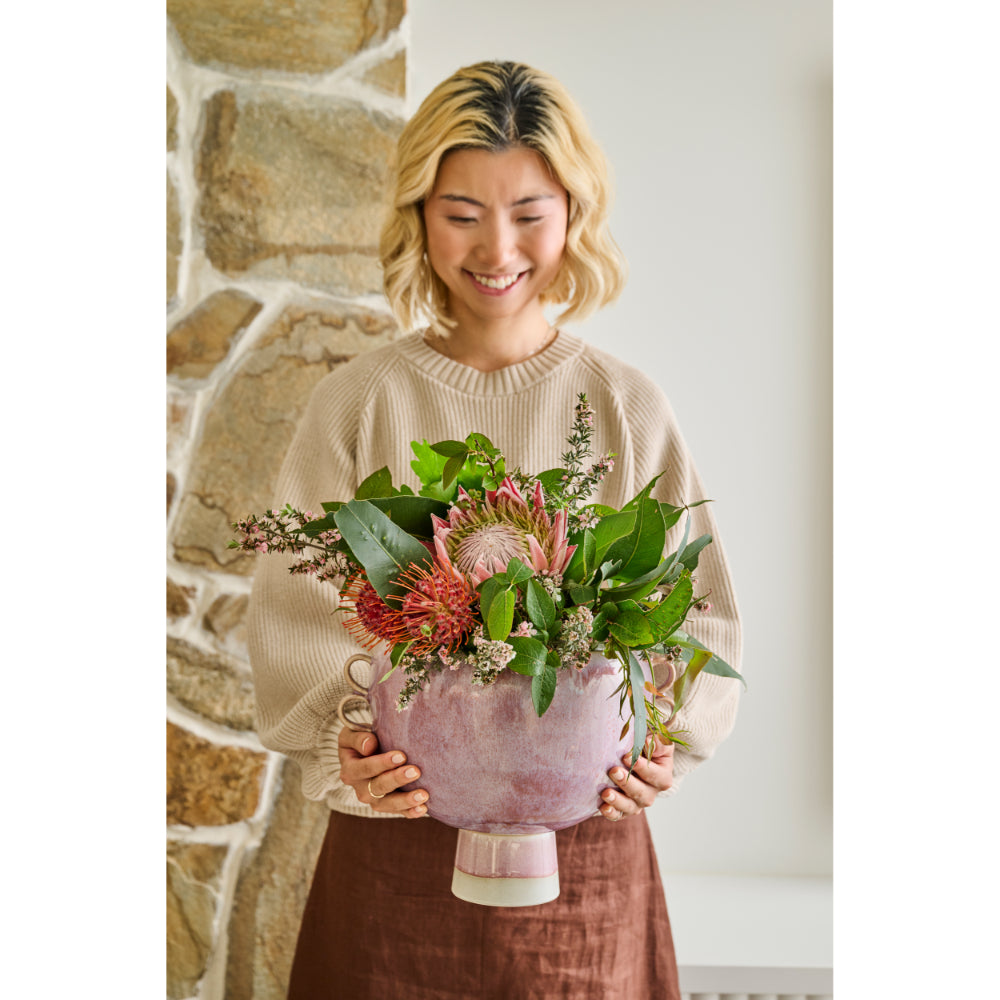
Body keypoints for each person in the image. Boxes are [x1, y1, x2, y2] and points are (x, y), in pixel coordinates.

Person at [247, 60, 743, 1000]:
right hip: (395, 836)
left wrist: (664, 740)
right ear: (420, 216)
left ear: (574, 214)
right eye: (463, 213)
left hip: (587, 849)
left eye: (528, 213)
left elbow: (699, 611)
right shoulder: (357, 403)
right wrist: (347, 745)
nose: (497, 248)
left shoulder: (625, 405)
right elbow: (292, 616)